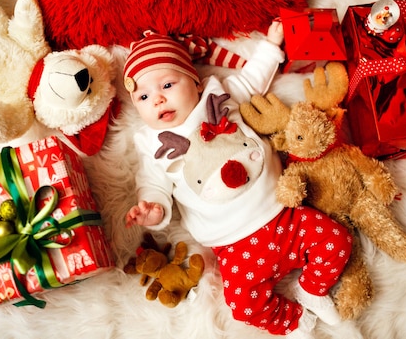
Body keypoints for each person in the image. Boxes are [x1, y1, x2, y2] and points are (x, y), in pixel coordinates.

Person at [123, 22, 352, 337]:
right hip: (233, 246)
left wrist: (271, 47)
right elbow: (153, 185)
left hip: (283, 214)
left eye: (167, 85)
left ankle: (312, 288)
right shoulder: (152, 143)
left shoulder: (217, 96)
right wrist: (153, 211)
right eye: (144, 96)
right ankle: (292, 319)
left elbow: (252, 80)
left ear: (195, 82)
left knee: (336, 240)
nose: (158, 100)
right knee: (242, 306)